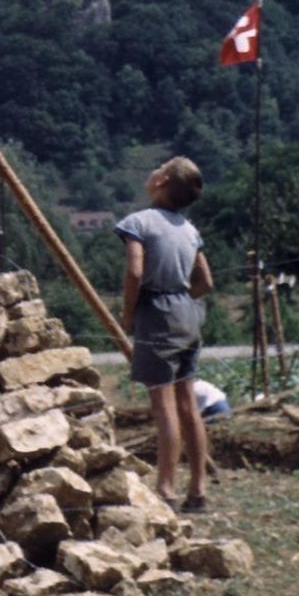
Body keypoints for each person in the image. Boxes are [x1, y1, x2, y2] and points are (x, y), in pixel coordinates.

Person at [116, 156, 215, 512]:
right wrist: (182, 299)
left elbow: (134, 271)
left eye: (159, 167)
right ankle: (198, 489)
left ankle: (166, 489)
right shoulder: (190, 230)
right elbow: (205, 281)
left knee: (163, 405)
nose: (152, 169)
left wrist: (129, 313)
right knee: (188, 402)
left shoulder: (138, 223)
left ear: (162, 182)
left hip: (156, 312)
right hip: (188, 312)